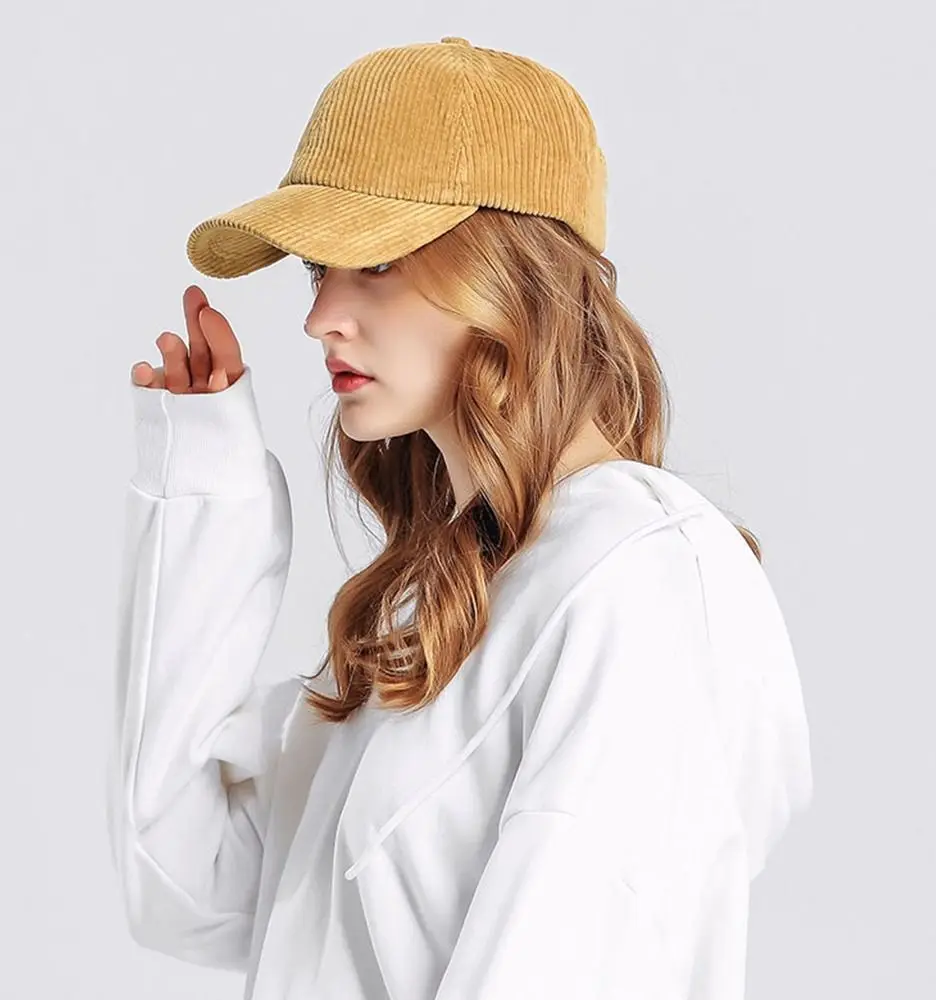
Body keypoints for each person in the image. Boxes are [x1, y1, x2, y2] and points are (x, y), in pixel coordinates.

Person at [106, 36, 814, 1000]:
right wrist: (205, 484)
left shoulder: (637, 578)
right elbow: (185, 890)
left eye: (375, 262)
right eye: (317, 270)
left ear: (508, 271)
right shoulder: (436, 609)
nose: (318, 317)